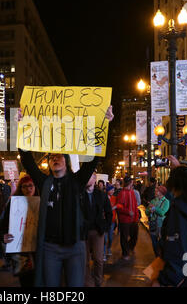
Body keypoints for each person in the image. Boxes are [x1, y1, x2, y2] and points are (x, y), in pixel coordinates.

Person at [17, 105, 114, 287]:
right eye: (51, 157)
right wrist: (22, 127)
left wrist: (105, 124)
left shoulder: (77, 181)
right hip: (50, 248)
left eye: (59, 156)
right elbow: (28, 161)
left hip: (75, 247)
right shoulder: (44, 181)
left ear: (67, 161)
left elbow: (93, 159)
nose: (55, 158)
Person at [1, 175, 38, 287]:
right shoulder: (13, 204)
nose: (28, 189)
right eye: (24, 186)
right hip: (21, 250)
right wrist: (4, 235)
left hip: (39, 248)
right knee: (26, 280)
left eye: (31, 186)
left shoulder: (42, 202)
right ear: (20, 189)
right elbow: (4, 224)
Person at [82, 173, 112, 287]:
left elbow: (109, 212)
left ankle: (98, 281)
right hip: (83, 232)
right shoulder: (80, 194)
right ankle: (88, 283)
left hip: (97, 231)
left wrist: (105, 227)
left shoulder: (101, 195)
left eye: (89, 176)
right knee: (84, 261)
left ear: (94, 179)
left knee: (98, 259)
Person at [115, 176, 140, 260]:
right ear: (129, 183)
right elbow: (119, 206)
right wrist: (128, 212)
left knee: (134, 236)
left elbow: (135, 206)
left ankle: (129, 248)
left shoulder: (132, 192)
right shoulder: (122, 193)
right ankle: (125, 253)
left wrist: (136, 217)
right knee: (124, 237)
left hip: (133, 219)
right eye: (131, 181)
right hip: (125, 220)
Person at [145, 185, 169, 257]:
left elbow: (162, 212)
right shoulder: (153, 200)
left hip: (161, 225)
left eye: (157, 191)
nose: (155, 192)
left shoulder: (166, 202)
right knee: (154, 242)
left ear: (161, 192)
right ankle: (157, 256)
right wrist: (149, 210)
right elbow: (146, 212)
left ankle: (161, 256)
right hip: (152, 224)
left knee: (161, 242)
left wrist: (154, 208)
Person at [104, 184, 117, 259]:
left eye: (113, 190)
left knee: (110, 237)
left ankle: (109, 248)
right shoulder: (104, 198)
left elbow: (119, 205)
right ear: (108, 190)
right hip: (105, 220)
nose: (113, 191)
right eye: (111, 190)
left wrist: (116, 206)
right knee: (105, 238)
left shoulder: (114, 198)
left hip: (112, 221)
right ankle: (103, 253)